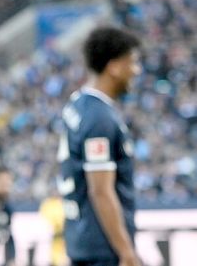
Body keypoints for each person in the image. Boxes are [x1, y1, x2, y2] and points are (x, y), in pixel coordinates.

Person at [58, 26, 142, 266]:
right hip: (102, 250)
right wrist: (126, 251)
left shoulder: (78, 104)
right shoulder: (100, 119)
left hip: (83, 241)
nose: (136, 71)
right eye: (132, 63)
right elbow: (100, 190)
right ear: (114, 66)